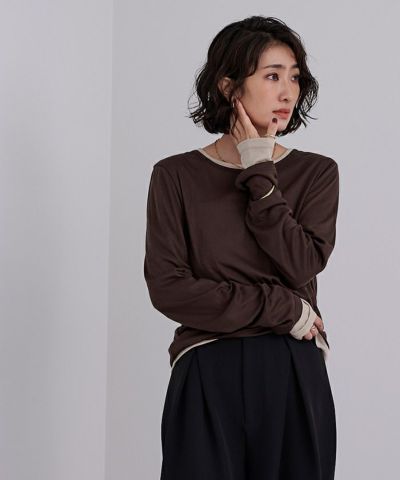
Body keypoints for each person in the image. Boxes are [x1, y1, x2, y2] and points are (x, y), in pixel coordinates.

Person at [144, 15, 339, 480]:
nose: (288, 92)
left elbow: (301, 263)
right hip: (206, 365)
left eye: (295, 77)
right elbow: (169, 289)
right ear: (229, 86)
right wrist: (279, 305)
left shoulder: (316, 173)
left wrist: (258, 171)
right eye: (272, 76)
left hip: (292, 369)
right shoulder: (175, 176)